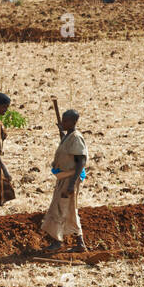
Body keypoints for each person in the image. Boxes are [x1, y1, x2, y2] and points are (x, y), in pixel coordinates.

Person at [41, 108, 87, 252]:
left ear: (74, 122)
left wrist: (72, 184)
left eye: (66, 120)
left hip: (69, 180)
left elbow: (81, 161)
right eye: (62, 119)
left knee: (60, 209)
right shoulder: (69, 136)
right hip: (64, 179)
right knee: (70, 210)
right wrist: (62, 132)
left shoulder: (76, 137)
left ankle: (57, 242)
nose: (63, 122)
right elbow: (67, 149)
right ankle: (79, 243)